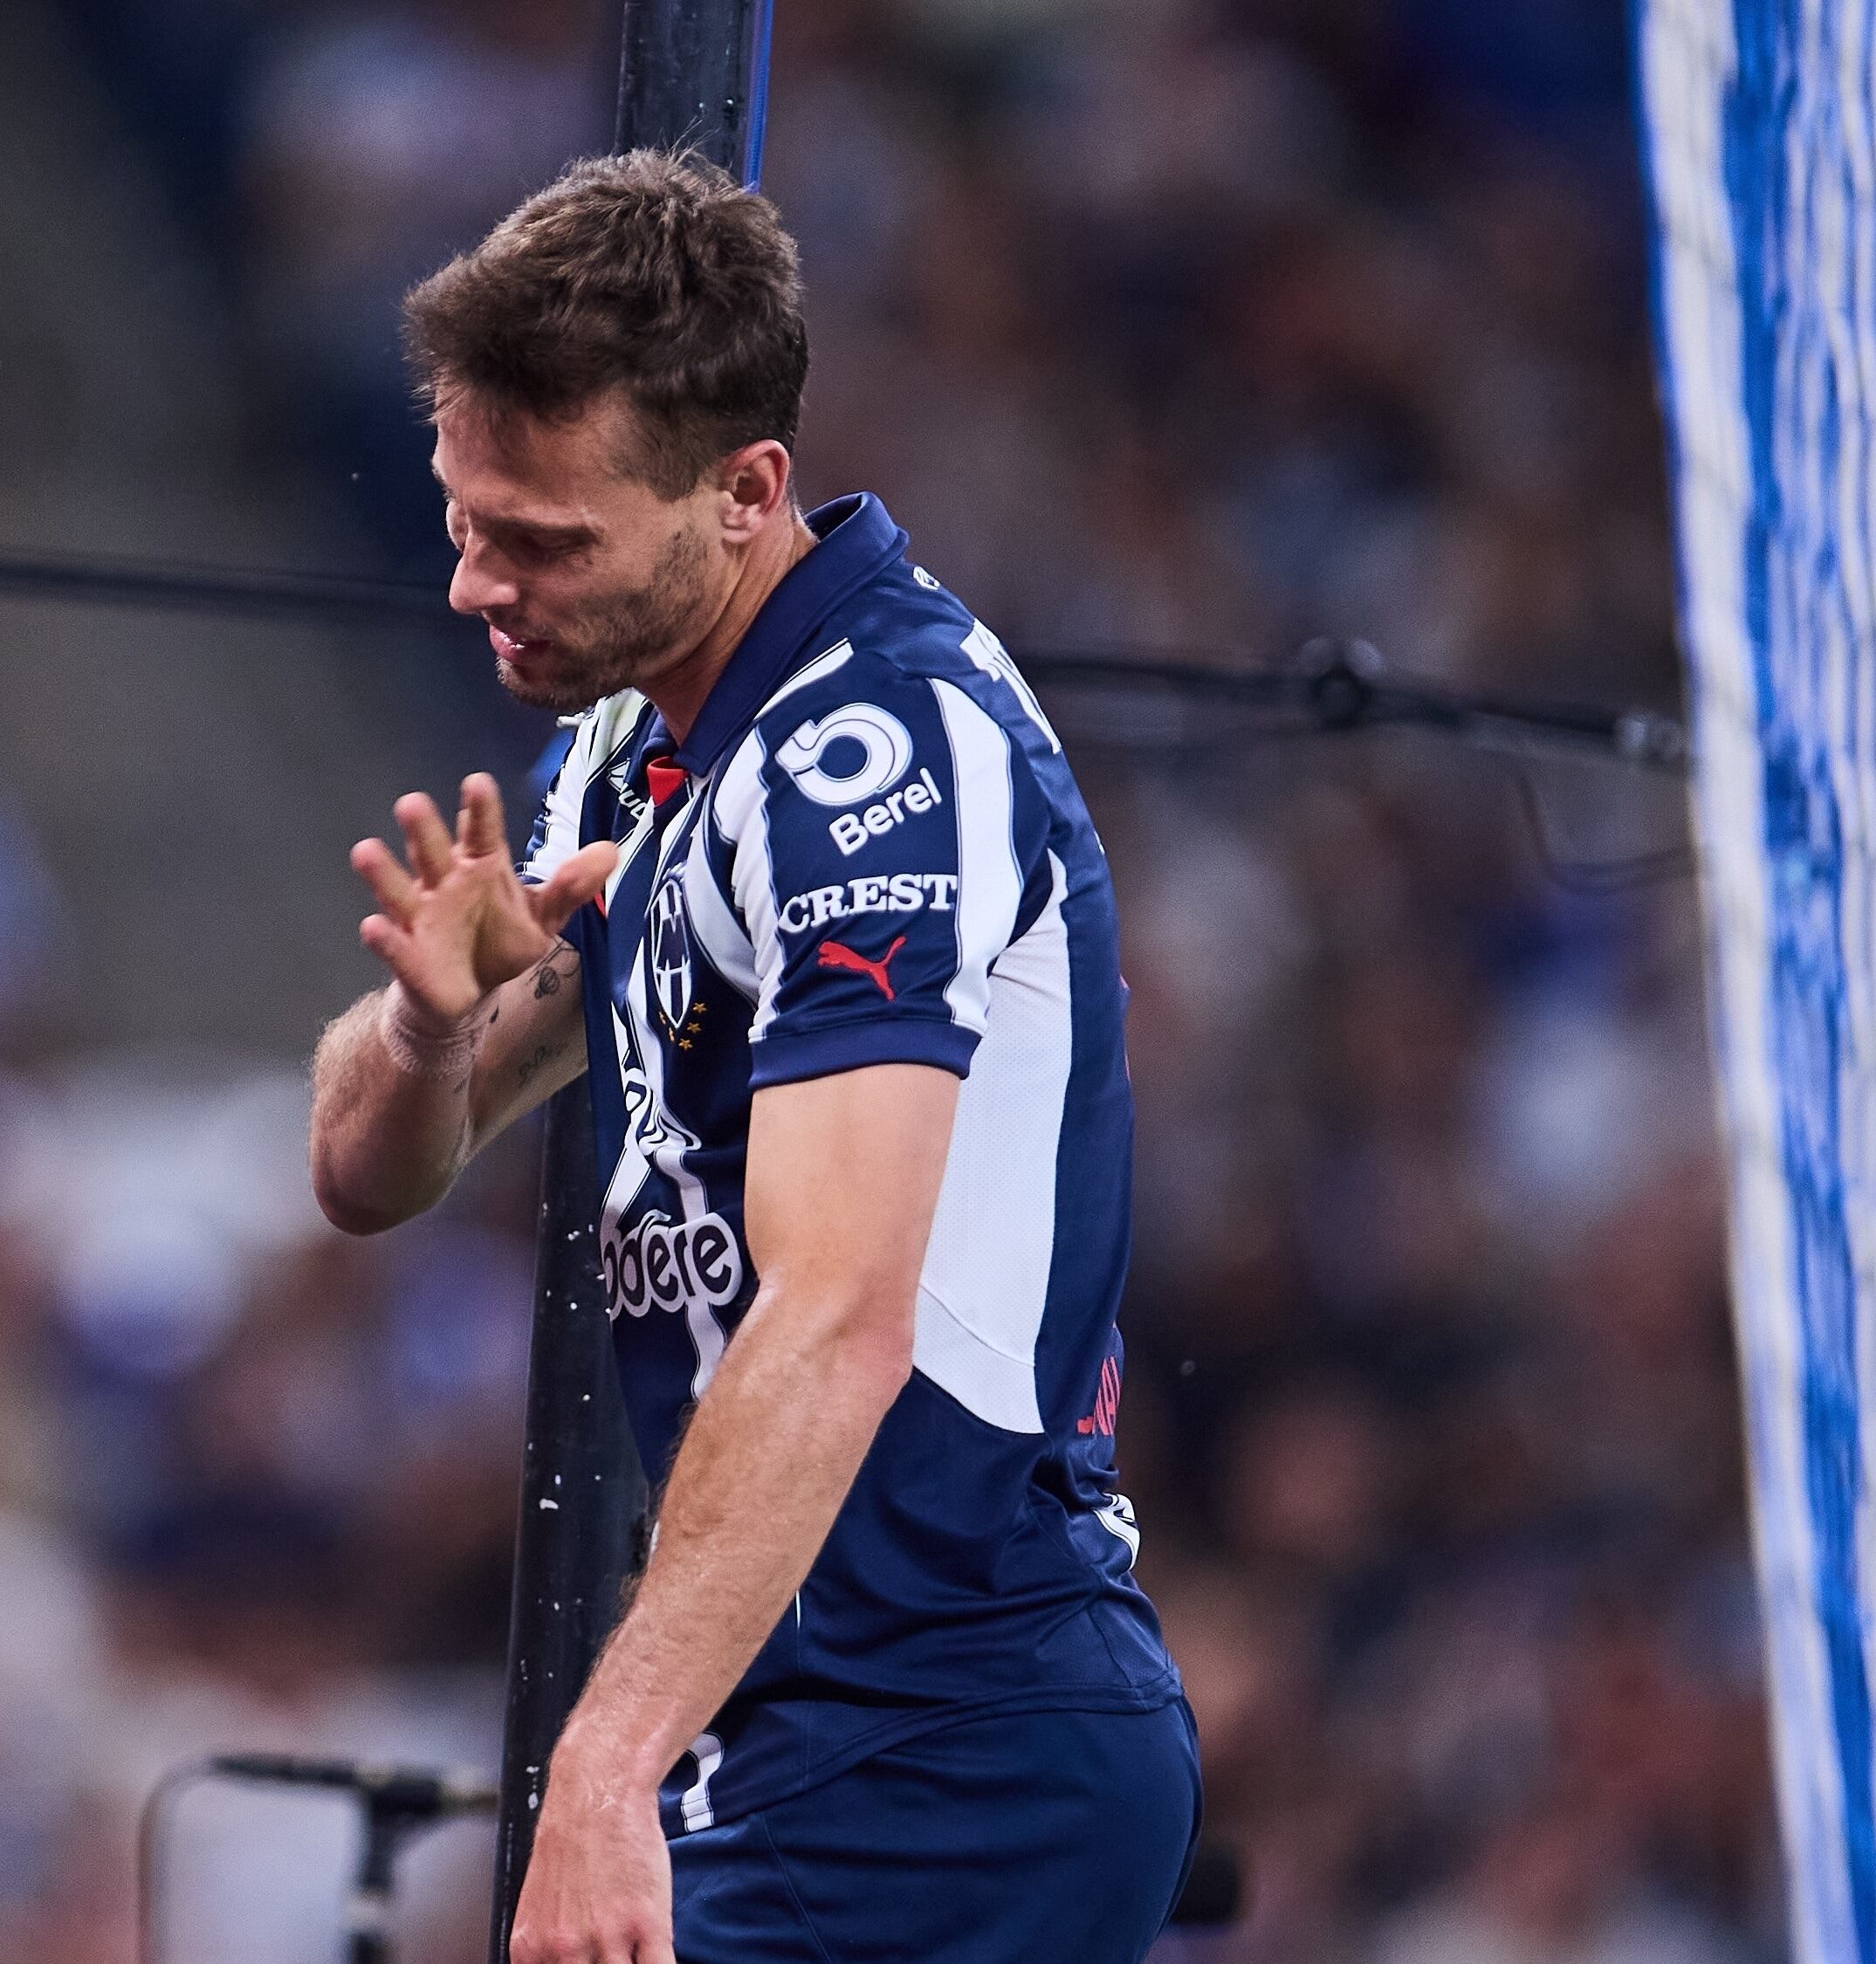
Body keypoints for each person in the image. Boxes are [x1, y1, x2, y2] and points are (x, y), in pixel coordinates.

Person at [305, 153, 1192, 1963]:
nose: (480, 585)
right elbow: (365, 1172)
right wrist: (425, 1019)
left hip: (949, 1738)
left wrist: (604, 1764)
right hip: (796, 1732)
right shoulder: (640, 748)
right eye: (463, 519)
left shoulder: (874, 757)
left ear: (742, 496)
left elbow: (838, 1311)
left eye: (544, 541)